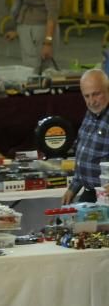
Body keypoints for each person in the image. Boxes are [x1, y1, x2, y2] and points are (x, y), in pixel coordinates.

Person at [64, 68, 109, 204]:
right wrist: (73, 187)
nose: (91, 101)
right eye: (86, 96)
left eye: (96, 94)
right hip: (90, 193)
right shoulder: (91, 113)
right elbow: (83, 154)